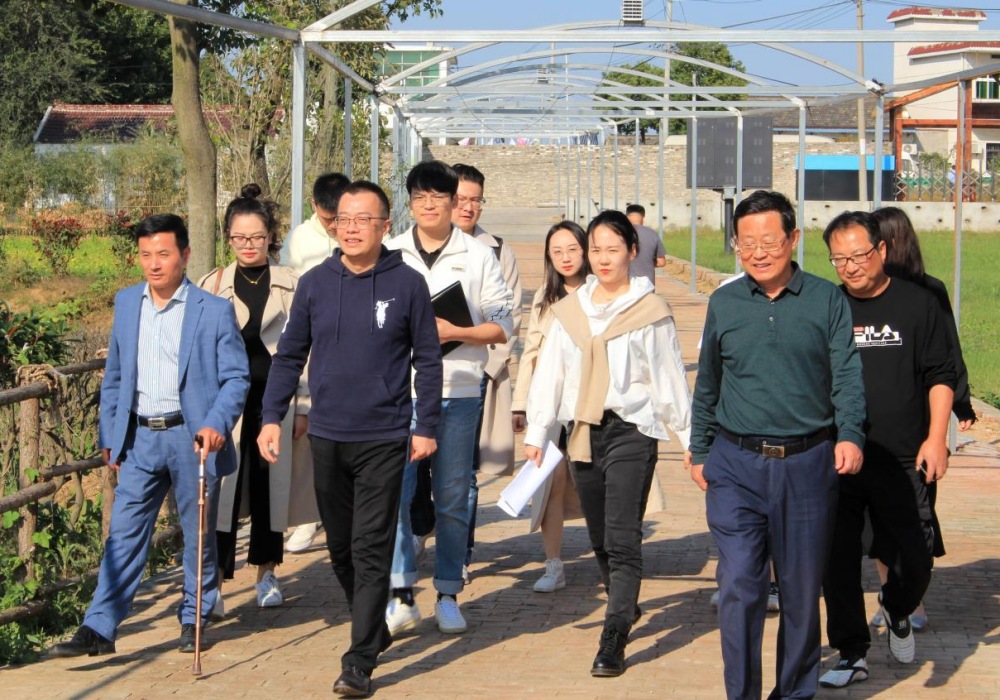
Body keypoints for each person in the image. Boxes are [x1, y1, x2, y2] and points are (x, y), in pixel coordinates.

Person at [258, 180, 443, 697]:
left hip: (385, 435)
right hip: (327, 434)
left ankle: (359, 660)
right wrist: (272, 416)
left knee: (370, 548)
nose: (353, 228)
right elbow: (289, 355)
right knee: (340, 549)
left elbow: (428, 360)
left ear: (386, 225)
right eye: (344, 219)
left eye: (364, 219)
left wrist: (426, 426)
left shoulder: (408, 284)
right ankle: (374, 626)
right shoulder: (315, 283)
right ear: (333, 225)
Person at [687, 190, 866, 700]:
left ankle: (794, 693)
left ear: (793, 239)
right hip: (735, 464)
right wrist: (700, 450)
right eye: (746, 243)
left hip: (807, 464)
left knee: (801, 593)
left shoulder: (825, 299)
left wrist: (850, 434)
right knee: (739, 585)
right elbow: (709, 382)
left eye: (769, 241)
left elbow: (847, 376)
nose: (758, 252)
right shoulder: (724, 302)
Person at [47, 214, 249, 658]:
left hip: (193, 439)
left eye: (163, 253)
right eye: (145, 255)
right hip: (140, 438)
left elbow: (236, 377)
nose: (154, 264)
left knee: (197, 534)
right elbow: (116, 375)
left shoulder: (213, 310)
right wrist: (110, 432)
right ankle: (99, 627)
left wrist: (216, 422)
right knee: (122, 534)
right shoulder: (126, 303)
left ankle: (194, 616)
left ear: (185, 255)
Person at [524, 210, 692, 677]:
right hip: (582, 431)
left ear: (632, 252)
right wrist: (537, 433)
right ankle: (625, 599)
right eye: (595, 249)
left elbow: (669, 377)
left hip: (631, 430)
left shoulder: (649, 310)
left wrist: (690, 439)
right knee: (598, 535)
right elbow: (551, 374)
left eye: (612, 249)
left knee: (622, 535)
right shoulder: (570, 311)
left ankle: (614, 633)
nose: (602, 258)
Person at [819, 211, 955, 688]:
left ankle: (897, 606)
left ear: (881, 250)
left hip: (904, 457)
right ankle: (850, 652)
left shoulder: (919, 303)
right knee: (837, 560)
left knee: (916, 557)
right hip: (839, 454)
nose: (850, 266)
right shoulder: (829, 307)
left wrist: (936, 438)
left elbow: (940, 375)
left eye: (858, 255)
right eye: (839, 259)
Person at [385, 160, 514, 636]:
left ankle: (447, 592)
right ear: (410, 203)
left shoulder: (478, 255)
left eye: (438, 197)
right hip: (400, 393)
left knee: (453, 496)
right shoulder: (391, 253)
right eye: (420, 197)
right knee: (395, 495)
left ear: (452, 201)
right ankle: (401, 592)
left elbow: (503, 326)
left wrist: (454, 331)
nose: (429, 205)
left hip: (458, 389)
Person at [197, 184, 317, 609]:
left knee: (271, 488)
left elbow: (309, 350)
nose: (248, 245)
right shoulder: (211, 285)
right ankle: (214, 583)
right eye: (239, 237)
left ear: (271, 236)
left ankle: (267, 573)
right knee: (223, 491)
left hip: (276, 401)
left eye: (257, 237)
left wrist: (303, 405)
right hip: (227, 404)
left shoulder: (294, 285)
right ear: (228, 237)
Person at [868, 205, 976, 632]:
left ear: (888, 244)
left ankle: (912, 599)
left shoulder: (928, 292)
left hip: (921, 423)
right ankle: (891, 596)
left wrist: (960, 405)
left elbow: (948, 353)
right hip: (873, 426)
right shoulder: (857, 296)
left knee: (917, 512)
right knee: (875, 518)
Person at [452, 163, 523, 581]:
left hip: (476, 375)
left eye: (475, 200)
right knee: (415, 466)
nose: (468, 207)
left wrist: (489, 367)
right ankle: (423, 530)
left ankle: (458, 554)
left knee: (464, 471)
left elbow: (510, 315)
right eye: (460, 198)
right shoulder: (410, 248)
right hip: (422, 376)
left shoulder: (497, 252)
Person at [511, 220, 589, 593]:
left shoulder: (602, 291)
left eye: (572, 249)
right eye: (556, 251)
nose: (565, 257)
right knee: (550, 484)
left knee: (601, 485)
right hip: (551, 406)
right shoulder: (546, 295)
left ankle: (614, 558)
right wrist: (521, 404)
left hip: (592, 404)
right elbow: (531, 353)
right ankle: (553, 564)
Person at [279, 171, 350, 555]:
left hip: (353, 345)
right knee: (308, 431)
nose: (337, 227)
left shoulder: (362, 231)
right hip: (312, 346)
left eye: (341, 218)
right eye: (328, 219)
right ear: (314, 208)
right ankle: (308, 516)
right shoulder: (299, 240)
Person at [624, 204, 666, 284]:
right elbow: (661, 262)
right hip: (647, 284)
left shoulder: (620, 233)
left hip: (625, 283)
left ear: (627, 217)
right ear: (643, 217)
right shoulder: (652, 234)